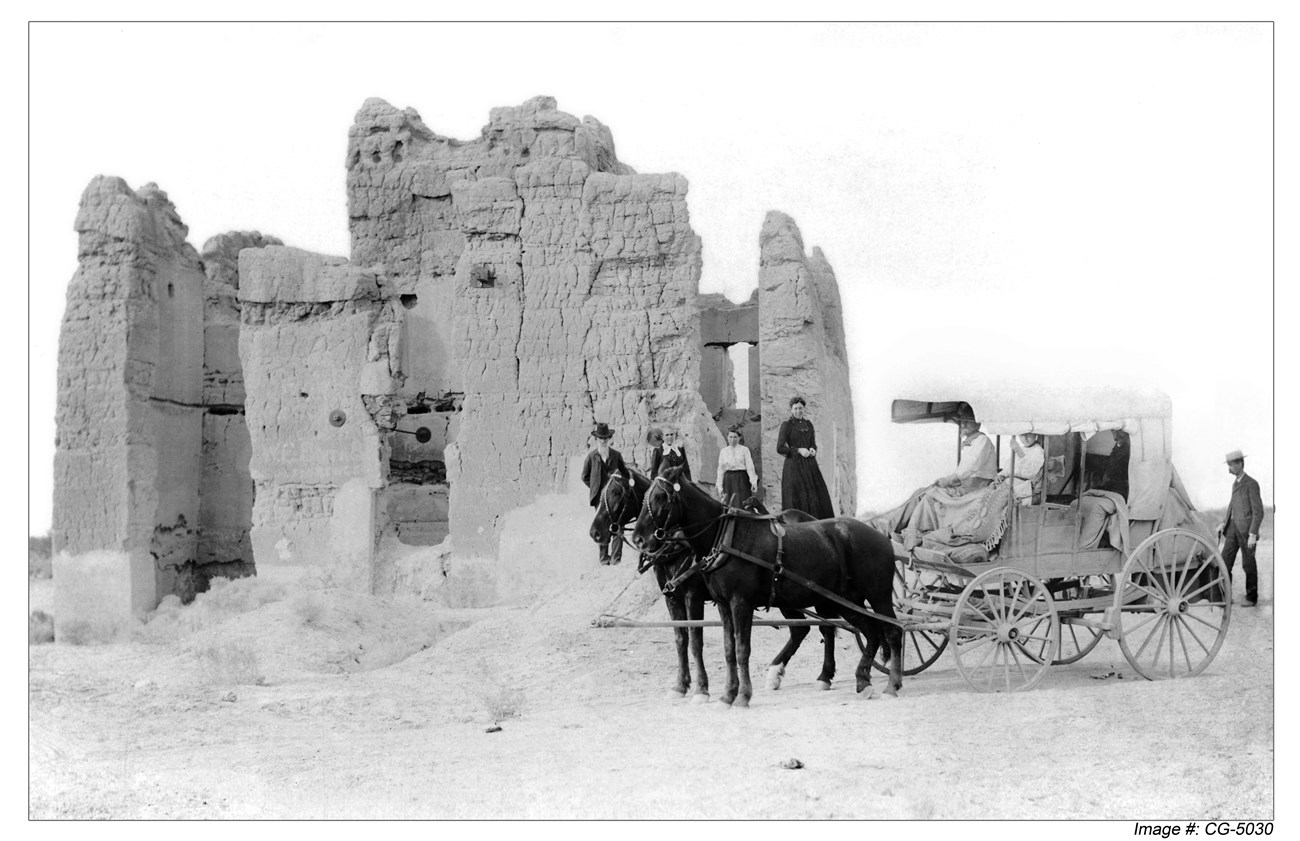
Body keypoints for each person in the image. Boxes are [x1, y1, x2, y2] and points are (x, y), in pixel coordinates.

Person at [1217, 450, 1265, 606]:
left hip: (1246, 531)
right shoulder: (1235, 483)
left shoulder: (1251, 484)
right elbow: (1232, 505)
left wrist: (1253, 533)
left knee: (1248, 563)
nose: (1229, 468)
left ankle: (1251, 598)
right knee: (1225, 562)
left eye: (1231, 465)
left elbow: (1258, 512)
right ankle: (1226, 597)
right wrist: (1224, 522)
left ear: (1239, 464)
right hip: (1232, 529)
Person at [776, 396, 835, 519]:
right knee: (797, 496)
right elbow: (780, 448)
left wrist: (813, 449)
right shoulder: (786, 425)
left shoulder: (809, 424)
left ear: (804, 409)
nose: (798, 411)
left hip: (809, 465)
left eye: (800, 408)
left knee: (815, 495)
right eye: (795, 408)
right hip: (794, 466)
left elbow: (812, 443)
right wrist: (798, 450)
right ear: (791, 410)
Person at [581, 422, 630, 566]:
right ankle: (604, 559)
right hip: (600, 499)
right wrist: (594, 488)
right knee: (602, 525)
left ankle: (616, 559)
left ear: (609, 439)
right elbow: (584, 476)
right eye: (601, 438)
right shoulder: (591, 457)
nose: (603, 441)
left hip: (615, 498)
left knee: (618, 525)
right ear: (596, 439)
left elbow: (625, 473)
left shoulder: (616, 455)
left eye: (606, 438)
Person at [936, 416, 996, 493]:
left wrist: (949, 479)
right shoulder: (970, 441)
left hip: (981, 483)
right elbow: (963, 468)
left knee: (938, 493)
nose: (964, 425)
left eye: (968, 421)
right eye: (962, 422)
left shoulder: (982, 439)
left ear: (977, 424)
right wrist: (951, 479)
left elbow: (972, 465)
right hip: (968, 482)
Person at [716, 428, 758, 507]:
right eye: (730, 437)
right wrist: (719, 486)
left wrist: (753, 481)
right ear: (727, 437)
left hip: (741, 478)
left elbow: (750, 466)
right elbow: (720, 469)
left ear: (739, 438)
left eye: (735, 437)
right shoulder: (723, 451)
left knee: (742, 501)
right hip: (728, 479)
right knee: (729, 502)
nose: (732, 439)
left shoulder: (744, 450)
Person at [1000, 433, 1045, 505]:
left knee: (998, 501)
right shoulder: (1021, 449)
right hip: (1009, 484)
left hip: (1023, 488)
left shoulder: (1038, 451)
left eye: (1028, 435)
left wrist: (1019, 452)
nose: (1024, 438)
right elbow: (1008, 468)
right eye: (1021, 435)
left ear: (1035, 434)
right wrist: (1001, 475)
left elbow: (1030, 472)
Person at [1094, 428, 1130, 500]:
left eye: (1117, 429)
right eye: (1112, 429)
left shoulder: (1128, 448)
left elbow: (1117, 469)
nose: (1113, 431)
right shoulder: (1118, 445)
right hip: (1109, 485)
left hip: (1119, 489)